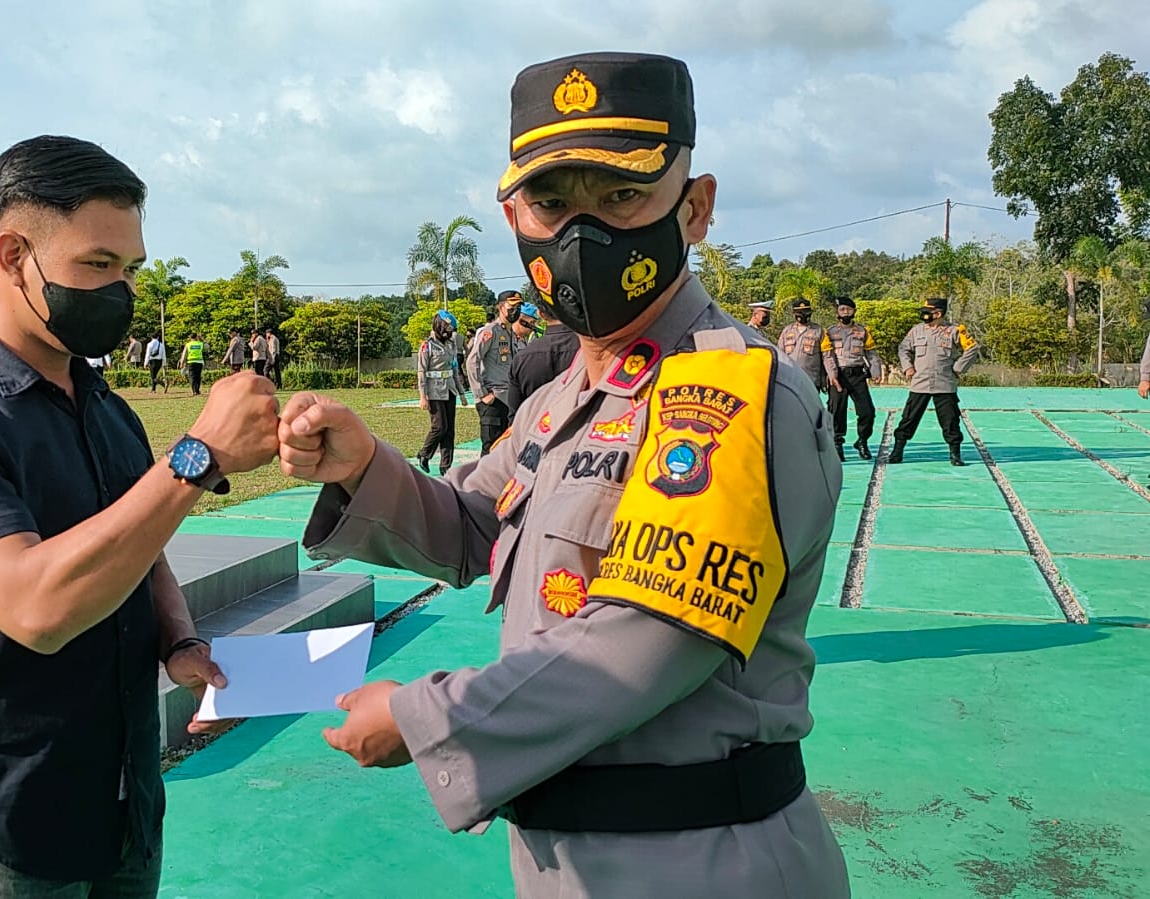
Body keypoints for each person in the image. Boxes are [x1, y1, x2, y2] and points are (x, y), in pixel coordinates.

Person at [277, 52, 849, 897]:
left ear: (694, 207)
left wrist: (421, 718)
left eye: (620, 196)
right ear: (514, 215)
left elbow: (647, 638)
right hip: (572, 856)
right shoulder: (564, 394)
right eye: (551, 204)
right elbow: (474, 526)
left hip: (695, 858)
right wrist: (364, 465)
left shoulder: (723, 393)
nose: (583, 235)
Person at [0, 136, 281, 898]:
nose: (120, 290)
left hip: (126, 803)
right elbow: (35, 607)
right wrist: (196, 456)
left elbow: (143, 548)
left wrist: (181, 641)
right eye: (98, 264)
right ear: (12, 255)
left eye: (129, 268)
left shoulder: (106, 407)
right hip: (8, 824)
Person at [891, 296, 978, 466]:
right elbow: (903, 349)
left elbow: (972, 348)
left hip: (944, 383)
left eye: (928, 312)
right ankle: (897, 451)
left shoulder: (955, 330)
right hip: (920, 383)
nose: (924, 314)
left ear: (938, 313)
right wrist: (908, 367)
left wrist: (958, 368)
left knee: (950, 421)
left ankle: (955, 454)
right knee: (908, 418)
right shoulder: (916, 330)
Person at [467, 292, 540, 454]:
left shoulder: (511, 334)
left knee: (506, 451)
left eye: (518, 307)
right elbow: (472, 361)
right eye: (512, 307)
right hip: (493, 400)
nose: (515, 310)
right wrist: (482, 393)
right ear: (501, 307)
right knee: (491, 450)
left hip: (509, 400)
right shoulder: (490, 331)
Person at [824, 297, 881, 461]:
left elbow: (871, 353)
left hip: (857, 375)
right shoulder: (829, 332)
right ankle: (837, 443)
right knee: (836, 412)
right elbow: (827, 356)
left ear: (854, 311)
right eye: (842, 309)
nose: (845, 312)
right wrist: (831, 375)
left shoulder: (863, 331)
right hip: (838, 376)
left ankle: (862, 441)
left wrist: (876, 372)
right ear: (837, 312)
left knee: (867, 412)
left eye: (849, 309)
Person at [506, 299, 580, 410]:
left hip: (535, 419)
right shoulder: (590, 350)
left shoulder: (522, 358)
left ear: (541, 314)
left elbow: (515, 413)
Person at [415, 310, 464, 475]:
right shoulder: (427, 346)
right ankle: (424, 453)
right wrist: (422, 396)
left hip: (450, 389)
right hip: (434, 391)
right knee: (439, 427)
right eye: (447, 329)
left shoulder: (451, 344)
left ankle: (445, 466)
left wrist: (461, 393)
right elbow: (421, 371)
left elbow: (454, 369)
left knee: (450, 430)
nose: (450, 333)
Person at [778, 298, 828, 393]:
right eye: (800, 313)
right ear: (794, 314)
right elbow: (780, 355)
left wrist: (829, 377)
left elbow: (827, 357)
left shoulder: (819, 331)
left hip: (811, 379)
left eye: (805, 312)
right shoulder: (786, 331)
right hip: (790, 380)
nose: (803, 315)